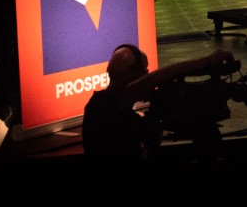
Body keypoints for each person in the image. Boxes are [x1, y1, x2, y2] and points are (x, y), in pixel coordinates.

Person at [82, 43, 236, 163]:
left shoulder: (116, 110)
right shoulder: (106, 102)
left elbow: (150, 145)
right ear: (134, 72)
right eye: (145, 70)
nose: (147, 74)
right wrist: (208, 62)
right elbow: (156, 78)